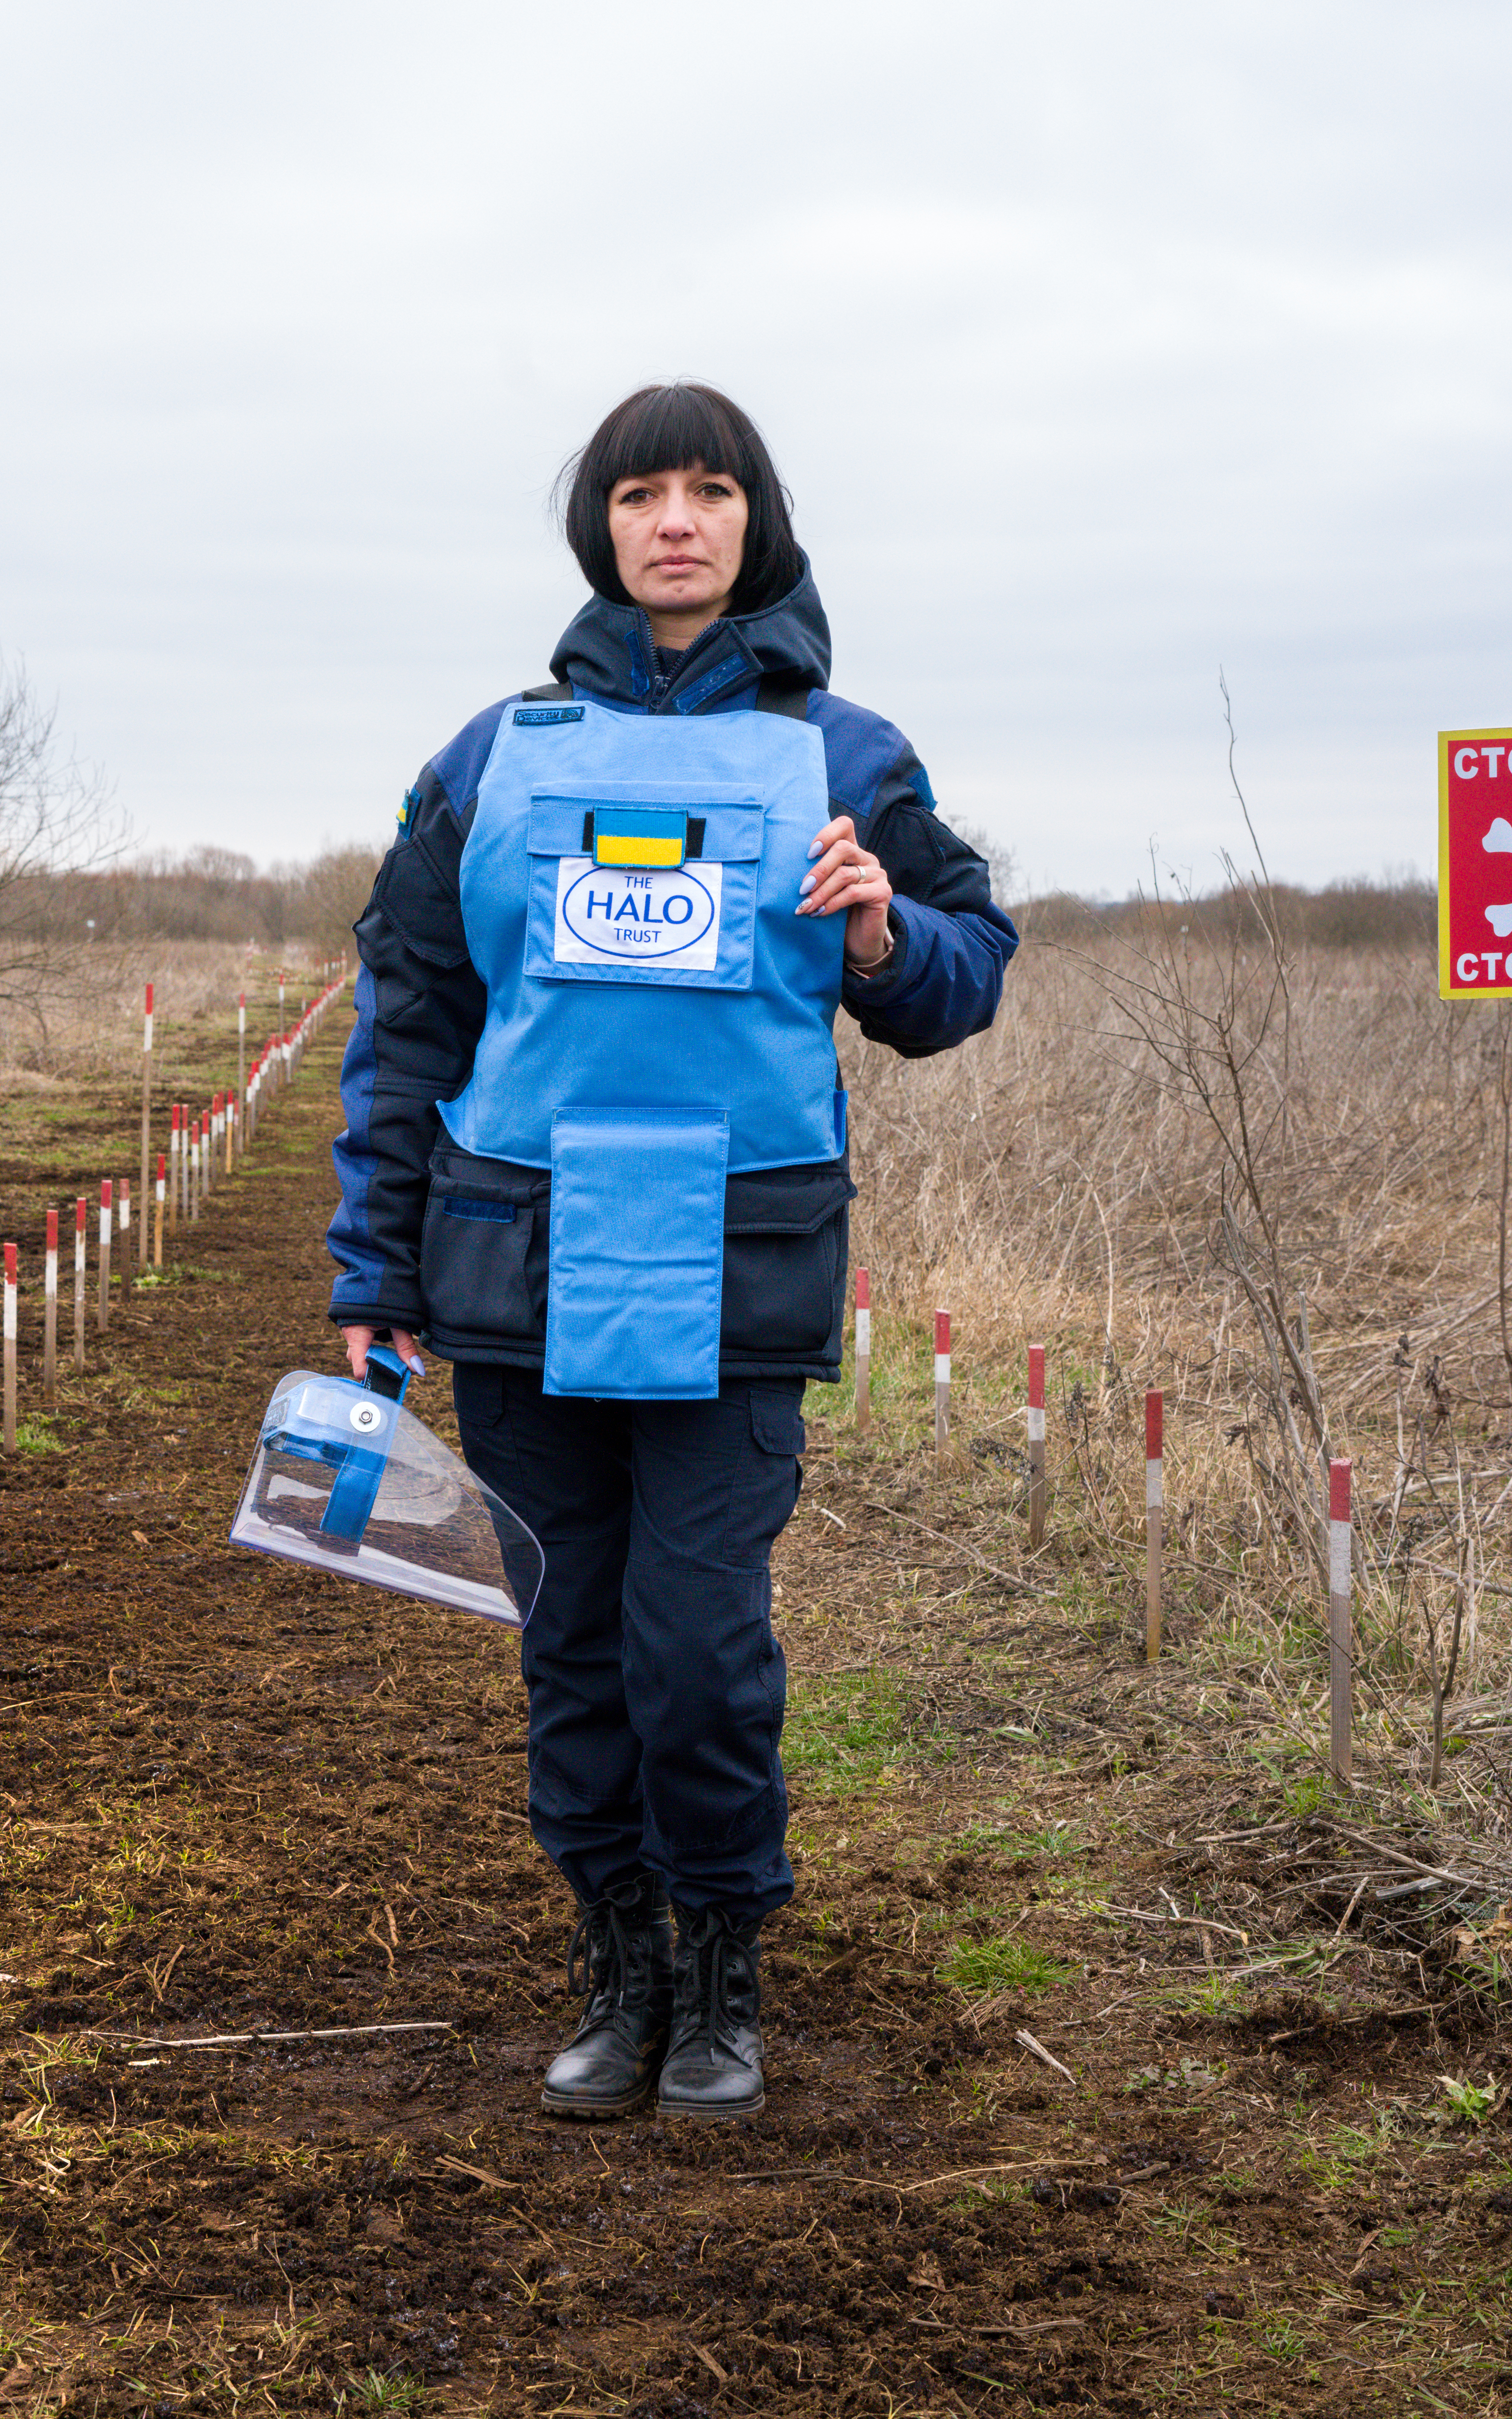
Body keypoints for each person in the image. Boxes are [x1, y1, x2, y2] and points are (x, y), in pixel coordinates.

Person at [325, 383, 1016, 2120]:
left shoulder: (850, 757)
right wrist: (372, 1272)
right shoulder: (489, 760)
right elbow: (411, 1014)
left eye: (711, 491)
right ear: (605, 528)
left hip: (738, 1259)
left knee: (695, 1642)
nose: (677, 521)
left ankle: (722, 1964)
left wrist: (881, 929)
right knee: (568, 1640)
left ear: (753, 520)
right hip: (516, 1262)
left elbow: (965, 971)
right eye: (644, 493)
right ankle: (615, 1962)